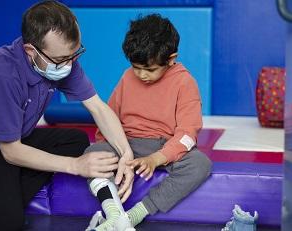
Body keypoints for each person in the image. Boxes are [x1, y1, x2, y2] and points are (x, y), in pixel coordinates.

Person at [0, 1, 134, 230]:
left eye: (75, 54)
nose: (70, 64)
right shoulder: (2, 76)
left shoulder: (61, 60)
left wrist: (126, 153)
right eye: (62, 59)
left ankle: (4, 191)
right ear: (31, 51)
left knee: (76, 141)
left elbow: (98, 107)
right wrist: (76, 166)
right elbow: (11, 151)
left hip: (10, 142)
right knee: (7, 223)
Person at [85, 14, 212, 231]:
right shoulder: (127, 77)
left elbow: (187, 134)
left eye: (150, 69)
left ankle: (134, 216)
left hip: (163, 146)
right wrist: (110, 149)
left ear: (171, 59)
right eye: (136, 67)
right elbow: (109, 118)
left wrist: (155, 159)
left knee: (200, 164)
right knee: (92, 154)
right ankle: (114, 214)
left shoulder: (184, 82)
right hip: (126, 143)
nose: (142, 75)